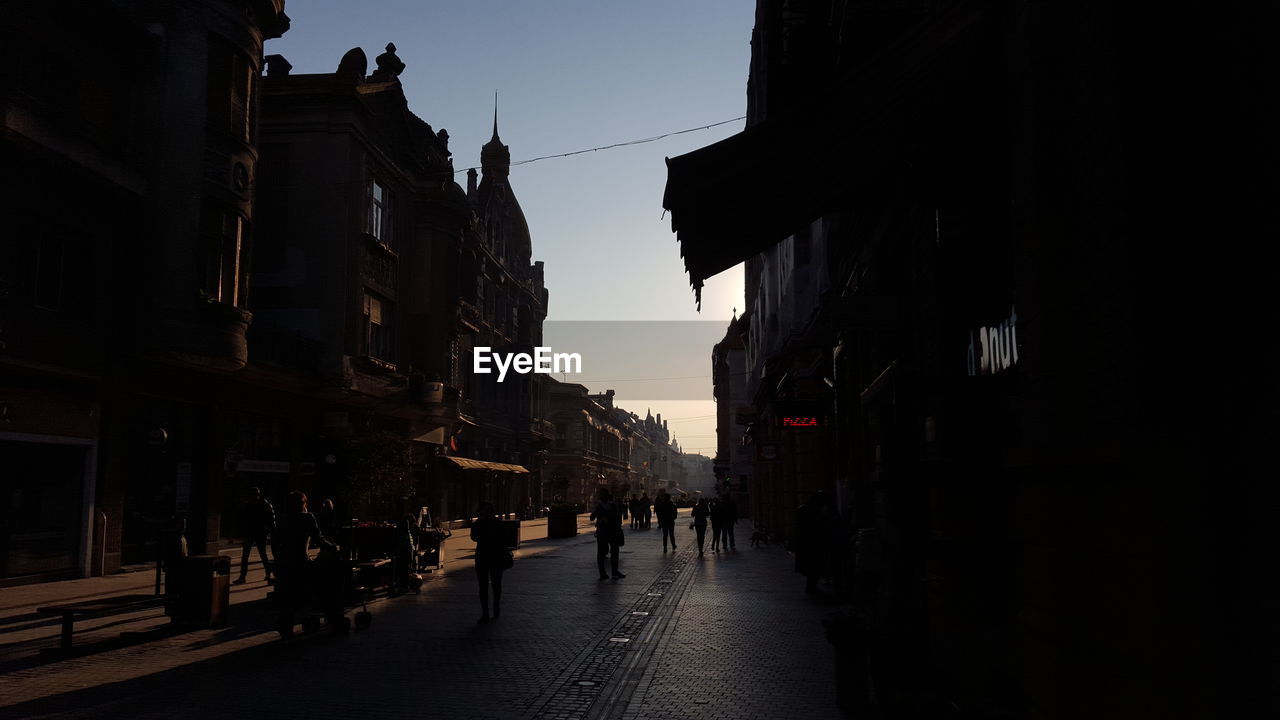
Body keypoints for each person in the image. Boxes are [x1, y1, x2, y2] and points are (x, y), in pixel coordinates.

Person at [271, 491, 337, 636]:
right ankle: (309, 618)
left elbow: (275, 542)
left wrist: (278, 558)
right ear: (303, 504)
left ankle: (285, 625)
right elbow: (318, 538)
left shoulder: (284, 519)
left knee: (288, 596)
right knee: (308, 591)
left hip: (286, 563)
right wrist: (332, 548)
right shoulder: (307, 518)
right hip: (301, 561)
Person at [471, 502, 507, 622]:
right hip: (486, 558)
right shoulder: (480, 523)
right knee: (486, 585)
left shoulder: (494, 523)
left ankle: (492, 607)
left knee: (492, 584)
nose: (485, 514)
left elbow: (474, 537)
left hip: (491, 557)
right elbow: (474, 537)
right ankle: (487, 611)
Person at [235, 487, 275, 585]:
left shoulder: (258, 505)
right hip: (257, 532)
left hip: (256, 532)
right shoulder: (263, 505)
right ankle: (267, 573)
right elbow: (271, 520)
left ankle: (243, 577)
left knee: (252, 555)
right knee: (260, 555)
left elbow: (270, 520)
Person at [794, 492, 829, 594]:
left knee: (810, 567)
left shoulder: (802, 509)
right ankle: (811, 587)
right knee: (814, 566)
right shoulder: (814, 511)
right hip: (813, 543)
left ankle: (810, 586)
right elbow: (818, 527)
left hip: (804, 543)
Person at [589, 488, 625, 579]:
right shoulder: (609, 505)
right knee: (611, 552)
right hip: (608, 531)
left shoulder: (602, 505)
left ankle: (605, 573)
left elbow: (592, 517)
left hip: (605, 531)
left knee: (604, 552)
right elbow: (617, 518)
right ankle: (611, 572)